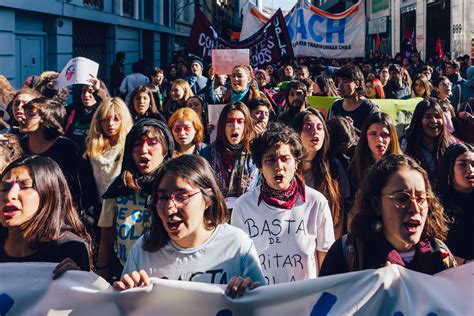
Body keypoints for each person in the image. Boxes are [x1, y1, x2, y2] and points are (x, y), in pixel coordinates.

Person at [113, 155, 264, 297]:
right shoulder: (143, 249)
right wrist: (126, 298)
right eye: (163, 197)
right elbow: (122, 307)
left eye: (182, 196)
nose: (170, 208)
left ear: (207, 199)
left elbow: (263, 305)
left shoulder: (236, 246)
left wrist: (251, 295)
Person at [231, 123, 335, 284]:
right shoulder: (243, 206)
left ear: (296, 163)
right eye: (270, 160)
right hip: (261, 301)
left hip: (305, 302)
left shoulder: (316, 203)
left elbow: (327, 264)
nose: (279, 167)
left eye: (285, 159)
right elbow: (238, 263)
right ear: (260, 166)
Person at [320, 154, 457, 276]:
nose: (415, 208)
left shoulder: (440, 255)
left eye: (421, 199)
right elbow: (324, 303)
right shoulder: (348, 254)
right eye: (402, 199)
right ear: (376, 204)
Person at [96, 118, 174, 282]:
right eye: (137, 144)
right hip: (124, 274)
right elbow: (107, 238)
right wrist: (102, 273)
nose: (144, 150)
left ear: (165, 150)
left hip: (164, 275)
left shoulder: (174, 189)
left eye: (152, 143)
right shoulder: (117, 189)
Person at [0, 156, 92, 278]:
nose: (10, 195)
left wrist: (77, 279)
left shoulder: (69, 248)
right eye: (4, 188)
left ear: (49, 192)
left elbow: (83, 295)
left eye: (25, 186)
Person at [293, 109, 349, 239]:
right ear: (297, 132)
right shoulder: (287, 167)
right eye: (308, 126)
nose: (315, 131)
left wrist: (331, 250)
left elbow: (339, 213)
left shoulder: (334, 167)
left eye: (319, 127)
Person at [19, 97, 81, 208]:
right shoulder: (20, 144)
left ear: (47, 119)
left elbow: (76, 189)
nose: (22, 117)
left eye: (31, 114)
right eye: (24, 113)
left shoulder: (67, 148)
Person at [81, 97, 134, 224]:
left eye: (116, 119)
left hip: (126, 211)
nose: (110, 124)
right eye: (105, 119)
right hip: (98, 213)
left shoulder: (131, 147)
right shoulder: (90, 150)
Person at [200, 102, 258, 207]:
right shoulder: (207, 154)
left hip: (248, 213)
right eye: (230, 122)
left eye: (240, 122)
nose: (235, 126)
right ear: (223, 126)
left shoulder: (255, 153)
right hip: (217, 212)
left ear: (247, 125)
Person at [402, 98, 458, 189]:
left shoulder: (452, 143)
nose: (434, 121)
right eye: (428, 117)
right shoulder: (405, 145)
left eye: (437, 116)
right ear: (419, 120)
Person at [439, 143, 473, 262]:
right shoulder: (437, 202)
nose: (470, 170)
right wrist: (464, 263)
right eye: (462, 165)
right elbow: (434, 245)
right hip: (451, 270)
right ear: (450, 168)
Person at [348, 112, 402, 189]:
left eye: (384, 135)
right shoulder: (355, 167)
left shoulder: (402, 167)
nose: (379, 140)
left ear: (392, 138)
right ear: (365, 137)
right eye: (373, 134)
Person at [329, 65, 380, 131]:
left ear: (357, 84)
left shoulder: (369, 108)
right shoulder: (335, 106)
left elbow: (375, 136)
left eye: (345, 81)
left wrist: (352, 130)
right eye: (339, 81)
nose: (340, 85)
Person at [65, 77, 110, 153]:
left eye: (91, 92)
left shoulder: (103, 112)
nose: (86, 95)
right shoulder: (72, 111)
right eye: (83, 91)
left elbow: (110, 107)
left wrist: (98, 90)